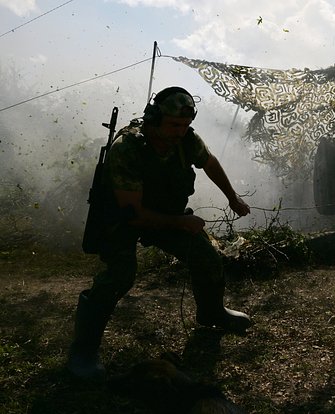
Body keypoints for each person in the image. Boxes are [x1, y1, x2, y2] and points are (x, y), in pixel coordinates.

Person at [67, 86, 252, 380]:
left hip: (165, 213)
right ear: (154, 118)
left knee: (205, 255)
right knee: (119, 276)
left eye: (185, 126)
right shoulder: (128, 148)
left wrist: (232, 196)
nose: (180, 132)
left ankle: (212, 313)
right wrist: (180, 223)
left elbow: (209, 162)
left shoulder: (185, 139)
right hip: (123, 220)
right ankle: (84, 350)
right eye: (174, 125)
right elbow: (135, 214)